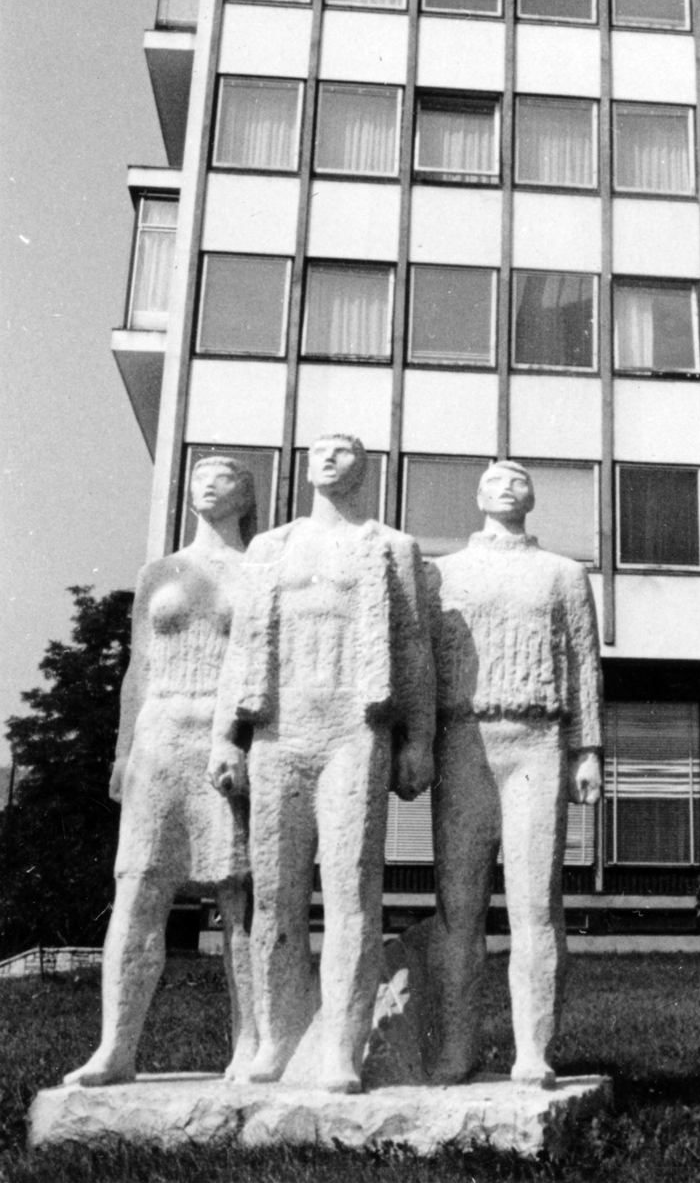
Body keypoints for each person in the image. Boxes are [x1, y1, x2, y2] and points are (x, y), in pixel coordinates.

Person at [209, 433, 434, 1093]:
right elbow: (244, 643)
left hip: (352, 733)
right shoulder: (271, 547)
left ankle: (340, 1045)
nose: (329, 459)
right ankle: (278, 1036)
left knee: (351, 895)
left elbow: (415, 649)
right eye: (321, 450)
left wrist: (417, 739)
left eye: (344, 452)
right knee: (274, 897)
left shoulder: (390, 547)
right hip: (280, 731)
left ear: (363, 468)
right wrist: (227, 736)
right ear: (306, 466)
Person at [66, 456, 257, 1087]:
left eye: (225, 475)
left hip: (226, 738)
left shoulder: (260, 571)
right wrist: (123, 751)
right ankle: (116, 1048)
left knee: (240, 896)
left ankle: (249, 1046)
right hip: (160, 732)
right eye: (200, 472)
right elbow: (137, 669)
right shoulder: (160, 572)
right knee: (140, 887)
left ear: (246, 494)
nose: (208, 482)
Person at [426, 460, 603, 1087]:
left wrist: (588, 749)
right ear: (476, 495)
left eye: (520, 479)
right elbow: (421, 670)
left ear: (533, 497)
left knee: (535, 904)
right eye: (496, 479)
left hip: (537, 740)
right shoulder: (441, 573)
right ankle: (454, 1048)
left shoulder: (562, 574)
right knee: (458, 907)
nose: (507, 485)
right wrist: (415, 744)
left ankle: (534, 1050)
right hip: (462, 739)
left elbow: (584, 662)